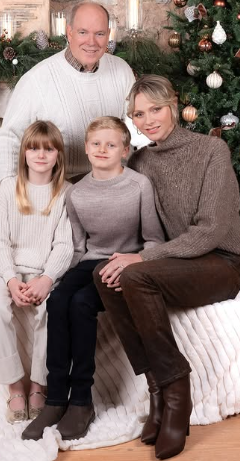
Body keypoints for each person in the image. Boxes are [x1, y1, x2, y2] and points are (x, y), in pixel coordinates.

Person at [94, 75, 240, 460]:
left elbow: (212, 230)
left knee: (136, 272)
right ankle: (156, 388)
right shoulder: (142, 160)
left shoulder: (212, 150)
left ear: (173, 105)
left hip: (223, 260)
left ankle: (176, 387)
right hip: (178, 261)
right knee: (106, 274)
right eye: (138, 114)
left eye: (155, 109)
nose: (148, 120)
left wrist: (145, 257)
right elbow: (116, 198)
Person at [22, 116, 164, 441]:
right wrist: (52, 277)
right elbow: (76, 247)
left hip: (124, 264)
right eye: (96, 144)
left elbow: (154, 239)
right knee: (59, 300)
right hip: (89, 263)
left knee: (82, 304)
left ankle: (82, 401)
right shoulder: (77, 193)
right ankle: (56, 399)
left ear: (125, 150)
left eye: (111, 144)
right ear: (86, 149)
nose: (102, 149)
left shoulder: (138, 185)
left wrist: (134, 263)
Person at [0, 120, 73, 424]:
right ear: (24, 153)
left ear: (58, 154)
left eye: (49, 149)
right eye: (34, 148)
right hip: (6, 269)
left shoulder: (66, 193)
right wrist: (9, 279)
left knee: (53, 309)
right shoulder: (9, 187)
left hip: (45, 271)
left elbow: (64, 244)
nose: (41, 155)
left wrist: (46, 279)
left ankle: (38, 385)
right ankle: (15, 386)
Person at [0, 2, 148, 182]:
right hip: (61, 187)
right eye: (83, 32)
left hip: (114, 180)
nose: (91, 42)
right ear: (69, 32)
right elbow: (9, 137)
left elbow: (136, 127)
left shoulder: (122, 70)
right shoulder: (36, 79)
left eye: (99, 34)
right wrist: (9, 187)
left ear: (108, 35)